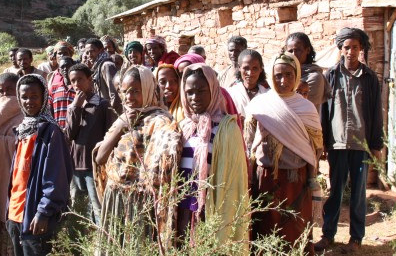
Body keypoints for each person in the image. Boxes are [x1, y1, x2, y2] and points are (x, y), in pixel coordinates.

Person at [94, 65, 182, 254]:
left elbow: (164, 167)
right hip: (116, 198)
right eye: (125, 92)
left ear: (149, 89)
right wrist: (121, 126)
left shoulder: (161, 122)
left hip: (141, 204)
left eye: (135, 91)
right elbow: (100, 157)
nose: (129, 97)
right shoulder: (123, 119)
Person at [245, 53, 323, 254]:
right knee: (266, 226)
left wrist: (313, 175)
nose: (283, 81)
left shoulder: (306, 108)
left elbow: (316, 146)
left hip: (297, 179)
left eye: (289, 75)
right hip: (266, 177)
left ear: (296, 75)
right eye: (278, 75)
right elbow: (248, 141)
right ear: (271, 76)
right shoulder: (260, 104)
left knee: (295, 228)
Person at [315, 28, 383, 254]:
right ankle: (328, 234)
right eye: (347, 47)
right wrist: (323, 141)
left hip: (360, 145)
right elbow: (324, 110)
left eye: (355, 47)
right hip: (337, 144)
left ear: (361, 48)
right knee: (335, 191)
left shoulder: (370, 78)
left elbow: (376, 112)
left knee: (358, 193)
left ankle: (356, 238)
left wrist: (375, 145)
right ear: (340, 49)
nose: (351, 52)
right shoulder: (331, 76)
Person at [177, 64, 249, 251]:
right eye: (190, 92)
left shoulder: (227, 128)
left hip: (212, 208)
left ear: (214, 89)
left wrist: (214, 211)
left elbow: (233, 181)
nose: (195, 97)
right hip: (183, 209)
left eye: (201, 90)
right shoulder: (184, 127)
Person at [7, 74, 73, 256]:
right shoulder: (22, 129)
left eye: (34, 96)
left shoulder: (50, 132)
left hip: (35, 216)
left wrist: (44, 212)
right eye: (24, 97)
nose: (29, 101)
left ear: (44, 97)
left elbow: (56, 177)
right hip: (16, 212)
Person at [65, 63, 116, 224]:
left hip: (93, 166)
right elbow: (69, 135)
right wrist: (76, 108)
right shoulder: (73, 106)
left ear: (90, 79)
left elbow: (110, 135)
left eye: (80, 79)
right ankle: (77, 245)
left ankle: (102, 243)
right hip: (75, 165)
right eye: (73, 81)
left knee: (98, 207)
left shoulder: (102, 105)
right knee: (77, 207)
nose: (76, 84)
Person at [0, 73, 24, 256]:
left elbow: (24, 143)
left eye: (10, 90)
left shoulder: (25, 114)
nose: (6, 95)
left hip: (17, 178)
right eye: (1, 91)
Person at [285, 32, 331, 115]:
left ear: (308, 50)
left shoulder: (315, 77)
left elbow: (296, 104)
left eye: (298, 50)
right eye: (290, 51)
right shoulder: (285, 74)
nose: (294, 55)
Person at [226, 49, 269, 123]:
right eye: (246, 68)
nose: (250, 73)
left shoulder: (268, 94)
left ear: (261, 69)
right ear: (239, 67)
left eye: (255, 68)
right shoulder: (230, 94)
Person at [84, 38, 122, 112]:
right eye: (87, 52)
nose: (89, 55)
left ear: (101, 50)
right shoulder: (96, 67)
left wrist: (109, 114)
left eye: (92, 51)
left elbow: (115, 95)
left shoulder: (107, 66)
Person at [48, 56, 76, 128]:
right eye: (62, 67)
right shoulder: (53, 88)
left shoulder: (79, 88)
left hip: (77, 131)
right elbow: (49, 111)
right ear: (59, 70)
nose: (65, 69)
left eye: (68, 66)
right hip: (58, 131)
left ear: (73, 66)